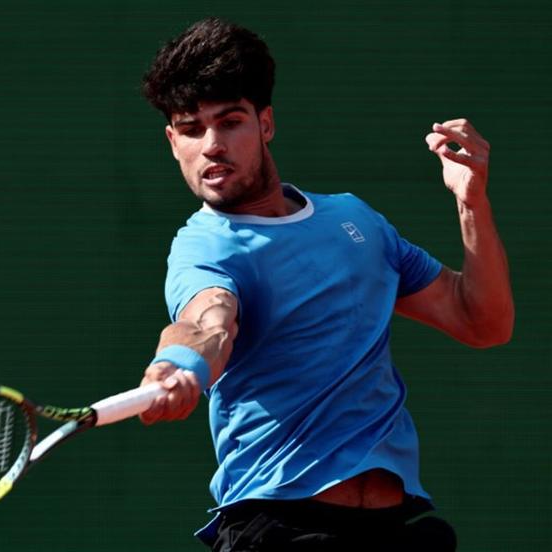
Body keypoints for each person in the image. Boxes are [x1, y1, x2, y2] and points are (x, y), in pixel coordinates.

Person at [137, 18, 514, 552]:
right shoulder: (205, 247)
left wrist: (471, 201)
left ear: (265, 124)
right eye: (192, 129)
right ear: (173, 141)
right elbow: (206, 320)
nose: (213, 145)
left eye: (230, 122)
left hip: (393, 526)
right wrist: (180, 367)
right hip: (278, 529)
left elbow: (483, 321)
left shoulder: (353, 222)